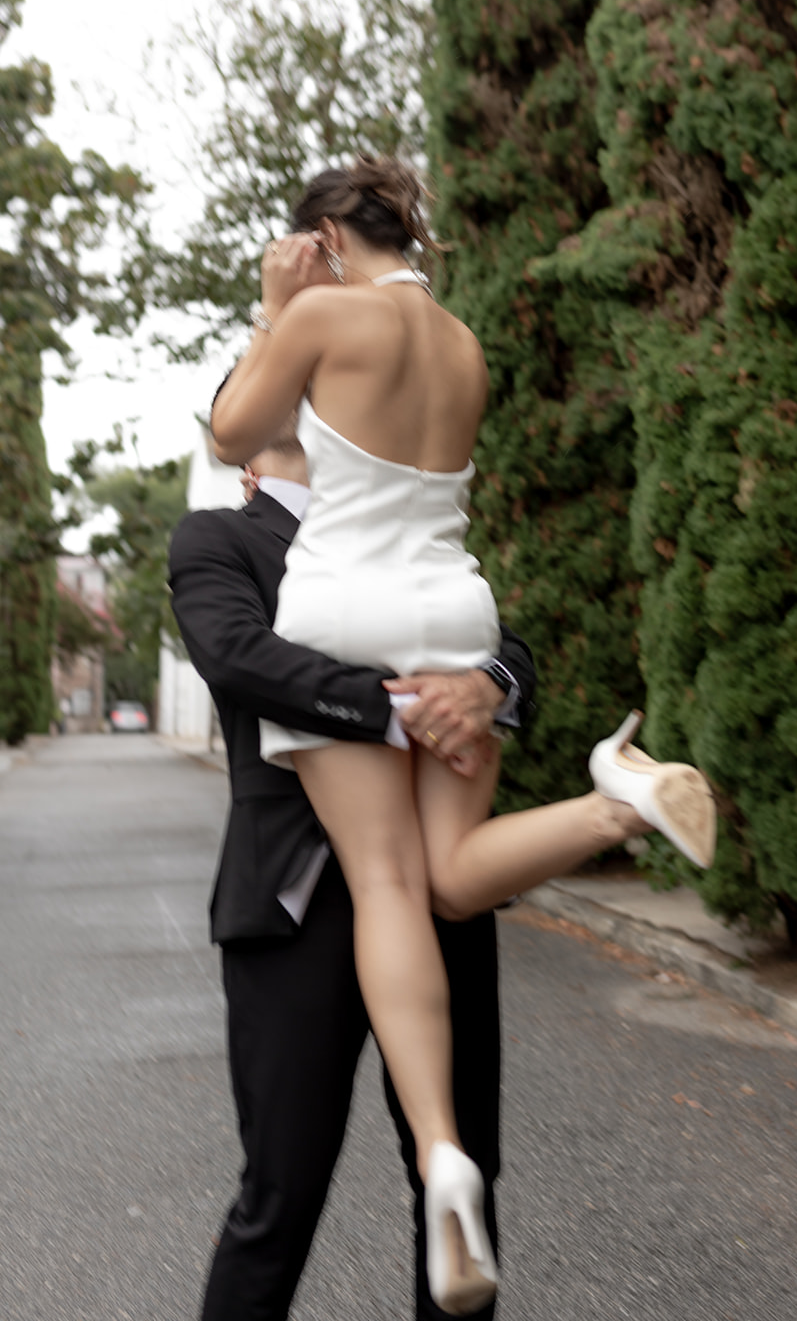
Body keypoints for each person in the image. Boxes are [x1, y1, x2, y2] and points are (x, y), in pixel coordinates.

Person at [210, 155, 714, 1315]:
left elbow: (237, 426)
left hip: (346, 608)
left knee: (385, 883)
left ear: (327, 238)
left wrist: (276, 309)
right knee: (446, 882)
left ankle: (440, 1148)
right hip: (454, 608)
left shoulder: (323, 311)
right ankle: (613, 801)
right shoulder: (461, 339)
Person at [168, 416, 536, 1321]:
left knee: (462, 1184)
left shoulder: (401, 523)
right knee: (281, 1194)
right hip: (294, 902)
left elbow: (499, 644)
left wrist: (487, 682)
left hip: (439, 906)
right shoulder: (215, 537)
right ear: (247, 449)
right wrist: (400, 712)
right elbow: (238, 659)